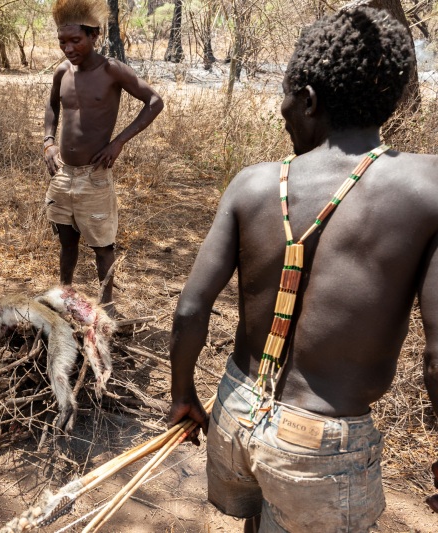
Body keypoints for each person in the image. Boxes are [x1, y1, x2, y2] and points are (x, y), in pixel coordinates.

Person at [166, 7, 438, 532]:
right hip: (322, 449)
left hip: (236, 409)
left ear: (310, 99)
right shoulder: (426, 190)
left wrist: (181, 397)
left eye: (287, 96)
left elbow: (189, 309)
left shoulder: (252, 183)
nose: (281, 111)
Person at [42, 0, 163, 315]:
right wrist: (48, 142)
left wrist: (119, 142)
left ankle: (107, 308)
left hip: (95, 175)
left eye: (75, 40)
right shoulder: (62, 72)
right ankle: (64, 295)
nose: (68, 49)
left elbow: (154, 101)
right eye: (62, 42)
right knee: (66, 241)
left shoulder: (112, 70)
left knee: (102, 246)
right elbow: (53, 107)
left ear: (93, 35)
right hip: (63, 174)